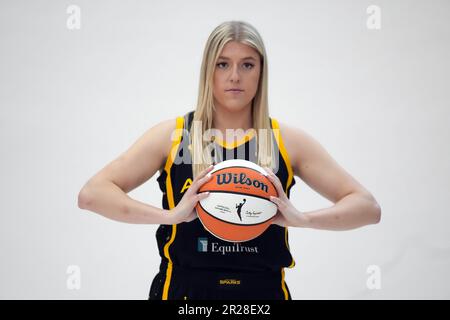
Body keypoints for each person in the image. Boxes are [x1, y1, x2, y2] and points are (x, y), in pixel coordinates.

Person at [77, 20, 381, 300]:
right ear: (208, 70)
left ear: (261, 71)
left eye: (247, 64)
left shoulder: (286, 141)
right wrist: (171, 216)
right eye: (223, 64)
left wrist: (303, 219)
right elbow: (92, 194)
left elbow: (368, 208)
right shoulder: (173, 135)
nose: (235, 76)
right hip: (184, 296)